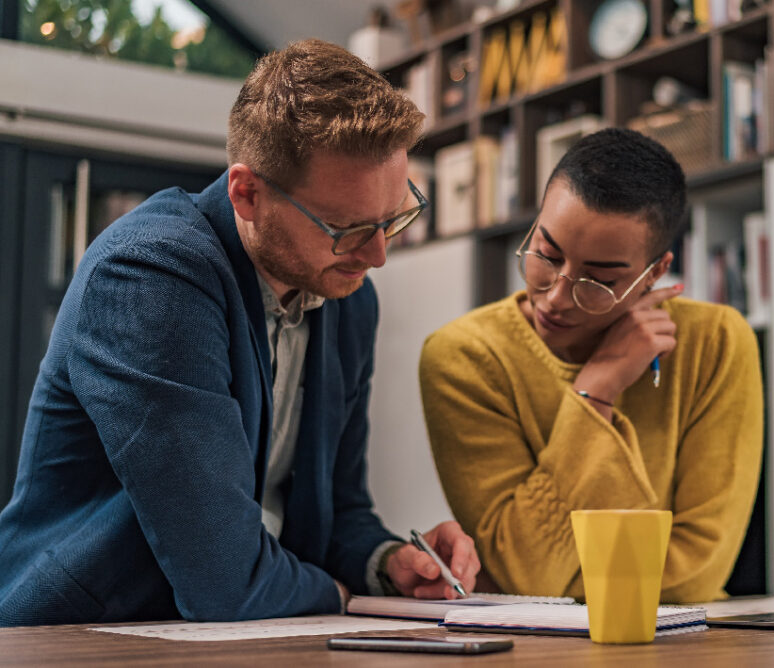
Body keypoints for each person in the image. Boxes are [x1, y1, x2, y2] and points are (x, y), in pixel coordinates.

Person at [0, 39, 479, 627]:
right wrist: (343, 595)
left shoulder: (347, 297)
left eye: (395, 218)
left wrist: (389, 564)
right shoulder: (151, 273)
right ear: (246, 193)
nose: (378, 255)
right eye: (348, 228)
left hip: (249, 632)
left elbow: (336, 510)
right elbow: (222, 578)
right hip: (84, 638)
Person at [419, 128, 762, 604]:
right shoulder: (464, 356)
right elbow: (524, 577)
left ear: (656, 272)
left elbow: (700, 571)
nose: (556, 297)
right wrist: (597, 390)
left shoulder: (716, 342)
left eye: (599, 280)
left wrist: (564, 584)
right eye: (546, 253)